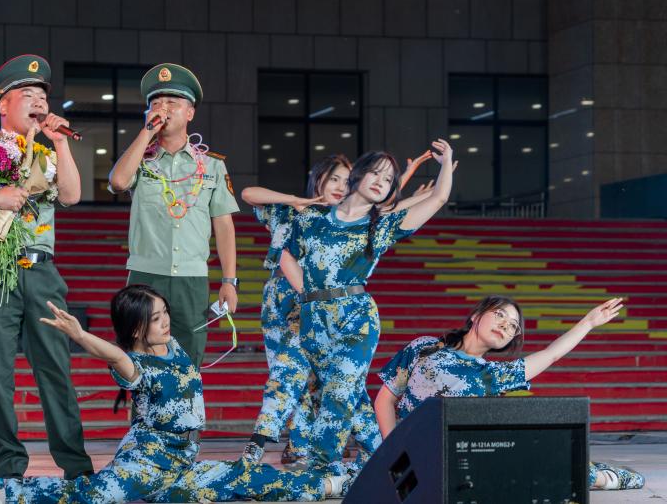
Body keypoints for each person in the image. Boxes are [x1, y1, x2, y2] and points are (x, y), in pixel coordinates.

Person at [0, 285, 342, 504]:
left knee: (244, 478)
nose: (166, 321)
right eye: (156, 318)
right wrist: (81, 335)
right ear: (137, 328)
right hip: (146, 459)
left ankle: (333, 484)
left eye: (164, 312)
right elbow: (115, 356)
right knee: (96, 496)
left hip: (183, 463)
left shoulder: (173, 345)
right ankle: (0, 498)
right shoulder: (136, 364)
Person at [0, 55, 93, 486]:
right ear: (3, 105)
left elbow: (72, 196)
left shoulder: (47, 156)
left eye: (42, 96)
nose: (38, 102)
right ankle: (10, 469)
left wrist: (61, 142)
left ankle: (76, 467)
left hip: (42, 272)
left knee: (56, 370)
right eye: (27, 95)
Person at [280, 141, 455, 494]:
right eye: (376, 173)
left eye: (389, 180)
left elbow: (437, 199)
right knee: (356, 405)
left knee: (339, 393)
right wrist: (308, 294)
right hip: (314, 322)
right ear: (358, 174)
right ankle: (402, 477)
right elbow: (286, 255)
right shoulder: (312, 218)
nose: (381, 181)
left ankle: (320, 471)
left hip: (356, 318)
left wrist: (446, 164)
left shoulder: (382, 225)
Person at [239, 152, 435, 467]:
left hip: (324, 303)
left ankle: (359, 450)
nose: (341, 186)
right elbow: (249, 194)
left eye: (346, 181)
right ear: (318, 178)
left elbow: (385, 207)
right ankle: (276, 442)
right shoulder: (298, 212)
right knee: (290, 372)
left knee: (339, 383)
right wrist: (296, 200)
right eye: (334, 179)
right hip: (284, 300)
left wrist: (407, 181)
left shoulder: (347, 219)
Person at [375, 295, 645, 491]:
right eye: (500, 314)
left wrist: (588, 322)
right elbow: (385, 400)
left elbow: (551, 354)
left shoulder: (494, 374)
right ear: (476, 316)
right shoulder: (425, 348)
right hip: (407, 452)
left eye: (513, 326)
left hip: (458, 461)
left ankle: (605, 478)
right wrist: (395, 452)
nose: (506, 325)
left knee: (545, 461)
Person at [108, 64, 239, 365]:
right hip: (146, 274)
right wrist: (147, 132)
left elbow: (224, 225)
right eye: (156, 103)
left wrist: (229, 281)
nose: (163, 109)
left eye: (172, 103)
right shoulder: (140, 159)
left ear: (190, 113)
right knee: (140, 360)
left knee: (189, 359)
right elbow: (118, 182)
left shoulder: (212, 165)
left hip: (192, 278)